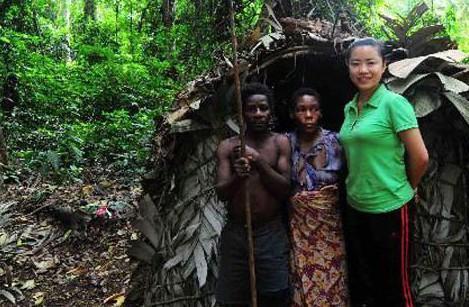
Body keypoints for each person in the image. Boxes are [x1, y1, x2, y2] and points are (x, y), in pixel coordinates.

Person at [339, 37, 429, 307]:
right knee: (367, 282)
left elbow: (421, 157)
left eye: (370, 63)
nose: (363, 70)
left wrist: (407, 187)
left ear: (384, 65)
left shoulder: (394, 104)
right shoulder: (350, 107)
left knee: (395, 288)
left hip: (389, 207)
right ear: (348, 67)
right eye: (356, 64)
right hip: (356, 205)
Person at [215, 82, 291, 307]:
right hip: (237, 233)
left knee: (276, 294)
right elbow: (221, 193)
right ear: (242, 113)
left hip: (270, 232)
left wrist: (258, 161)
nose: (258, 114)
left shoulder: (280, 143)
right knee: (233, 298)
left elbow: (285, 189)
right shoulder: (228, 147)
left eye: (263, 108)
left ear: (270, 112)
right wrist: (238, 175)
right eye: (251, 109)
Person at [287, 88, 349, 306]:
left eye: (314, 109)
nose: (308, 115)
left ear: (321, 112)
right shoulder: (285, 144)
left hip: (331, 229)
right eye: (302, 110)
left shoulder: (337, 142)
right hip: (300, 230)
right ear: (292, 114)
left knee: (335, 279)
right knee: (301, 278)